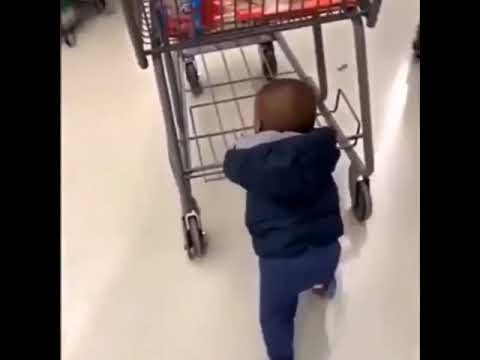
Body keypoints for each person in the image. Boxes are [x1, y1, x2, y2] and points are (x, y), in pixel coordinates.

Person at [223, 78, 343, 360]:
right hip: (327, 250)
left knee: (276, 317)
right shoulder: (320, 152)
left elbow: (231, 165)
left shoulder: (251, 164)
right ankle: (324, 284)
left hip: (280, 262)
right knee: (322, 268)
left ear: (260, 124)